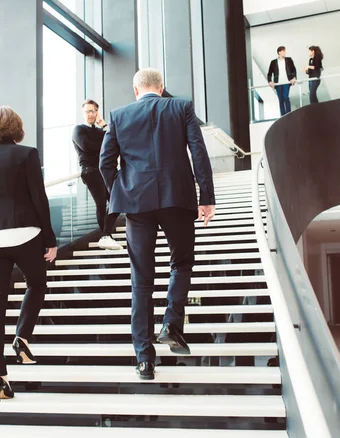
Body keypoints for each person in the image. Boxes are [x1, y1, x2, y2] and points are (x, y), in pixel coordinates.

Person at [99, 68, 216, 381]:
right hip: (177, 198)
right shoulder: (181, 107)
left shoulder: (119, 115)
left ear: (135, 89)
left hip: (137, 205)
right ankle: (171, 324)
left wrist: (121, 191)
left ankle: (144, 360)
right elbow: (199, 154)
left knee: (141, 280)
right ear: (161, 88)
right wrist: (206, 196)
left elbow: (104, 163)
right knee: (181, 262)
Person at [0, 106, 58, 401]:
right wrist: (50, 238)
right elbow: (38, 196)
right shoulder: (27, 154)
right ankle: (21, 338)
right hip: (26, 233)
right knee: (37, 284)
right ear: (16, 128)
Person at [72, 99, 123, 250]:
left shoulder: (101, 131)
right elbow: (88, 147)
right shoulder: (78, 130)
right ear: (83, 113)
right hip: (90, 171)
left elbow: (115, 142)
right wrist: (105, 143)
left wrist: (105, 126)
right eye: (88, 111)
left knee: (116, 199)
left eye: (93, 111)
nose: (91, 114)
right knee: (101, 202)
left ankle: (106, 235)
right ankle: (105, 235)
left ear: (97, 112)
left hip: (103, 171)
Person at [267, 46, 297, 116]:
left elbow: (293, 70)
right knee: (281, 100)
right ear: (279, 52)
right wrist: (270, 81)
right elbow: (269, 73)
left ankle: (289, 114)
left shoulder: (289, 60)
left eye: (285, 51)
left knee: (286, 97)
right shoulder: (273, 62)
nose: (285, 52)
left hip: (287, 81)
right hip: (278, 83)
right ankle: (283, 116)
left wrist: (294, 78)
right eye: (283, 51)